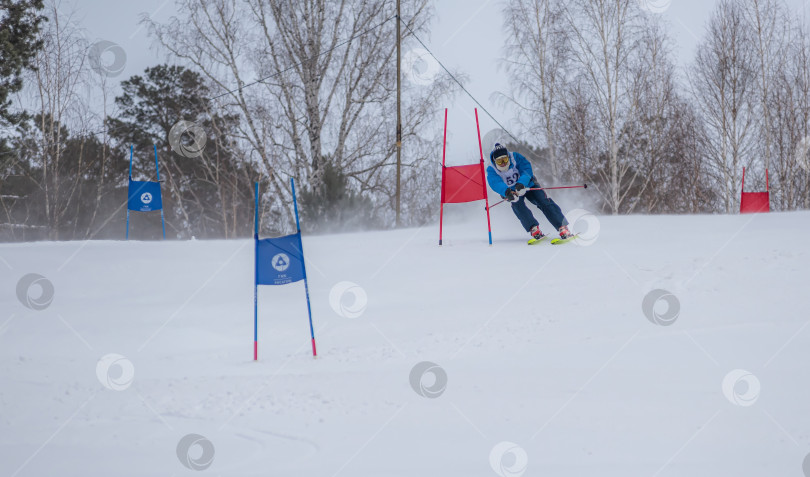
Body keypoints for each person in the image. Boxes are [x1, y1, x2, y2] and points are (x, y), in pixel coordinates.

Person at [486, 143, 573, 242]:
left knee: (543, 201)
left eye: (505, 160)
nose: (503, 163)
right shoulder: (492, 169)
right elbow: (495, 183)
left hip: (527, 185)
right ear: (495, 161)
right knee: (518, 206)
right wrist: (506, 192)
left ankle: (562, 227)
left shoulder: (515, 157)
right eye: (499, 161)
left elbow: (526, 169)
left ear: (508, 157)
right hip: (511, 192)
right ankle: (534, 229)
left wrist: (522, 183)